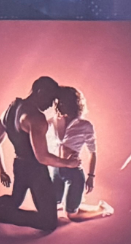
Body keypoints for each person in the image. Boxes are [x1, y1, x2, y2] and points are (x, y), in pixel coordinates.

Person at [0, 77, 86, 232]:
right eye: (50, 98)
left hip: (19, 165)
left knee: (15, 201)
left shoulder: (11, 109)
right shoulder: (36, 118)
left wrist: (2, 170)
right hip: (35, 170)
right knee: (48, 222)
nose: (50, 105)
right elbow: (42, 157)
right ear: (40, 92)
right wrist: (68, 163)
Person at [48, 85, 113, 222]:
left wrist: (91, 176)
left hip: (73, 173)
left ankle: (101, 209)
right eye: (57, 102)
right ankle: (71, 201)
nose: (58, 105)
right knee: (49, 209)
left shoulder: (85, 125)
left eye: (62, 102)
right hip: (55, 171)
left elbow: (92, 152)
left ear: (72, 103)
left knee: (72, 215)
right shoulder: (52, 121)